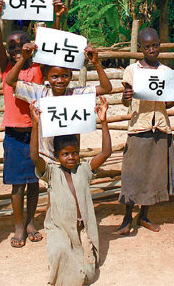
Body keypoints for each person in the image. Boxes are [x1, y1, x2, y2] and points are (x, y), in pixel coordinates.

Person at [0, 0, 66, 248]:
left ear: (31, 48)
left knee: (34, 182)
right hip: (14, 136)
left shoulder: (37, 69)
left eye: (22, 45)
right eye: (12, 46)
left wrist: (57, 17)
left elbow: (52, 46)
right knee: (17, 186)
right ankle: (19, 226)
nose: (16, 48)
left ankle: (31, 221)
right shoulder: (7, 68)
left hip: (35, 134)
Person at [29, 96, 111, 286]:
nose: (71, 157)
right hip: (59, 228)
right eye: (65, 154)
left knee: (89, 273)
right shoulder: (50, 172)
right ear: (57, 156)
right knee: (60, 253)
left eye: (75, 153)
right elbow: (34, 156)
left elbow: (106, 152)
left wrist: (104, 121)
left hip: (82, 227)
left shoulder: (84, 169)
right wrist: (35, 125)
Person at [117, 27, 174, 235]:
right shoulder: (132, 71)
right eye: (147, 47)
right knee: (133, 173)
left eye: (155, 45)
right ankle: (127, 217)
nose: (152, 50)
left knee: (153, 174)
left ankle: (144, 215)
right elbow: (125, 98)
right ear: (140, 48)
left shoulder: (166, 72)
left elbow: (168, 104)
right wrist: (126, 97)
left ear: (160, 45)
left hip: (160, 127)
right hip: (139, 127)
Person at [5, 40, 112, 162]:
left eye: (65, 76)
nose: (60, 80)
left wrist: (96, 63)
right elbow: (11, 81)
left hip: (70, 159)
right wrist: (23, 58)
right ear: (46, 77)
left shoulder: (76, 94)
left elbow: (106, 88)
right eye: (54, 77)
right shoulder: (39, 92)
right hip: (46, 158)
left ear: (71, 76)